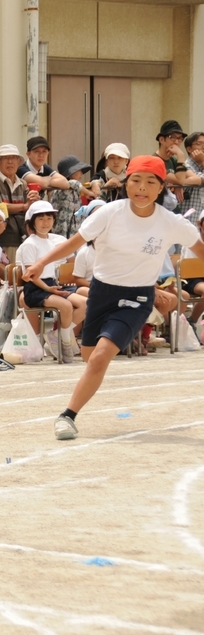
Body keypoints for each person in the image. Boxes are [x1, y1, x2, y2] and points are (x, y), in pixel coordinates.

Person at [24, 156, 204, 440]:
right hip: (101, 292)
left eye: (150, 182)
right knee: (90, 357)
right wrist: (40, 263)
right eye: (136, 180)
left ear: (161, 188)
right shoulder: (109, 212)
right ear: (125, 183)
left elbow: (200, 250)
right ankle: (85, 387)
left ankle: (67, 416)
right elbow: (74, 243)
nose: (142, 188)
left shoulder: (171, 222)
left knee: (99, 357)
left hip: (137, 297)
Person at [16, 200, 86, 362]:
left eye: (49, 218)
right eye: (40, 219)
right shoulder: (29, 244)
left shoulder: (50, 242)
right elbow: (31, 275)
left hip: (51, 285)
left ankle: (57, 335)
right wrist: (48, 289)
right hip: (36, 289)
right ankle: (65, 343)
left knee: (85, 304)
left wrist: (52, 287)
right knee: (66, 306)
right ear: (32, 222)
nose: (45, 222)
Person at [0, 144, 35, 264]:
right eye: (6, 158)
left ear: (18, 162)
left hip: (24, 237)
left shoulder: (23, 184)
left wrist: (34, 200)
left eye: (14, 158)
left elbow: (31, 207)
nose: (10, 162)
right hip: (4, 238)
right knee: (9, 272)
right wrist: (24, 206)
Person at [48, 155, 93, 238]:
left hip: (75, 226)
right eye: (78, 170)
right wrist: (89, 193)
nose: (81, 173)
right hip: (63, 227)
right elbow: (73, 183)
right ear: (72, 173)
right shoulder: (61, 188)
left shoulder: (75, 190)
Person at [70, 200, 107, 289]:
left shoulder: (115, 249)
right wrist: (94, 287)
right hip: (90, 287)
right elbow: (78, 279)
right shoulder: (84, 252)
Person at [155, 120, 188, 189]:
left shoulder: (173, 160)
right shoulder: (154, 161)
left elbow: (195, 178)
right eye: (172, 137)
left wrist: (177, 184)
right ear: (161, 140)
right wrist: (181, 155)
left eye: (180, 138)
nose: (177, 142)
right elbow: (180, 181)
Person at [180, 132, 204, 217]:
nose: (203, 147)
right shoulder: (184, 166)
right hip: (188, 219)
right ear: (189, 149)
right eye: (199, 144)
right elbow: (198, 179)